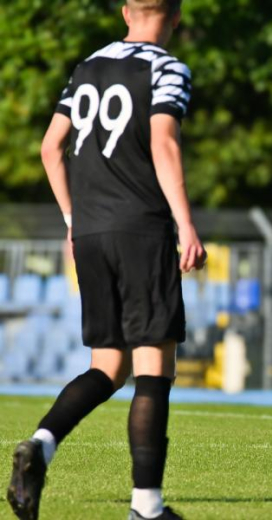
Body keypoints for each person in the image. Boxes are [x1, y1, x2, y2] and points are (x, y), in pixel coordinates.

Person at [6, 1, 206, 519]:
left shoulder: (89, 66)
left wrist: (74, 219)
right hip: (141, 227)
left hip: (90, 232)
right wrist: (186, 223)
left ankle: (40, 446)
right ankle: (146, 507)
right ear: (177, 14)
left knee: (109, 365)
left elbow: (51, 148)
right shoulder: (167, 68)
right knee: (153, 367)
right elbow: (163, 142)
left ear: (124, 12)